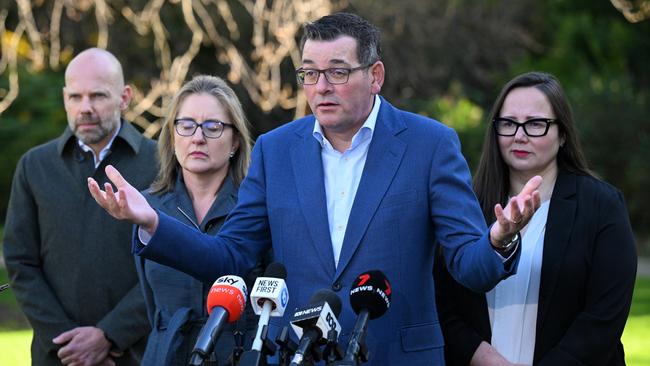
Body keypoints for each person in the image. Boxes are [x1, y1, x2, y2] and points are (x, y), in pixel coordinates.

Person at [88, 13, 541, 365]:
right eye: (309, 73)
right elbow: (232, 257)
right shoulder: (276, 150)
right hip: (295, 353)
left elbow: (470, 266)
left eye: (338, 72)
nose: (320, 87)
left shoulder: (430, 144)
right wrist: (151, 221)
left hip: (397, 355)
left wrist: (499, 240)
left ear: (375, 75)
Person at [434, 71, 637, 365]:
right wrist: (484, 358)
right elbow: (441, 303)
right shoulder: (465, 205)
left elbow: (604, 316)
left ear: (563, 133)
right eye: (508, 123)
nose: (519, 135)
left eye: (536, 124)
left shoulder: (602, 205)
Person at [3, 48, 157, 366]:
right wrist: (70, 343)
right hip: (57, 355)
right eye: (75, 97)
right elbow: (21, 262)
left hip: (137, 355)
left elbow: (168, 266)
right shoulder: (35, 166)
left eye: (98, 96)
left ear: (125, 97)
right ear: (64, 98)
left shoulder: (160, 164)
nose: (85, 108)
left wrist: (109, 335)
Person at [134, 74, 261, 365]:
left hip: (236, 356)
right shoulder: (148, 206)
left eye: (213, 127)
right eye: (186, 125)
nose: (197, 137)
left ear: (235, 142)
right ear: (172, 135)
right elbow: (151, 301)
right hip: (166, 354)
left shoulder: (255, 204)